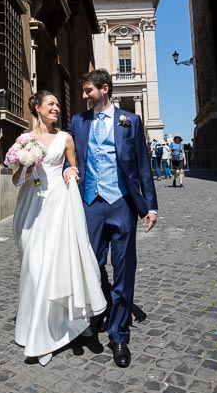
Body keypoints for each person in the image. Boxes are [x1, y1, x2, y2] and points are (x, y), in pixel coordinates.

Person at [64, 69, 158, 368]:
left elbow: (143, 166)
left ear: (104, 89)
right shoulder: (78, 122)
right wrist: (67, 170)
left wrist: (150, 207)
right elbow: (68, 157)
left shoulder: (130, 120)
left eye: (89, 90)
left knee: (124, 268)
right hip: (89, 204)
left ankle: (119, 333)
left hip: (121, 204)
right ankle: (99, 309)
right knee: (90, 265)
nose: (84, 95)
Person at [12, 91, 106, 366]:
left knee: (54, 266)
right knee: (33, 266)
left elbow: (73, 167)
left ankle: (47, 337)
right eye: (50, 104)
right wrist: (27, 167)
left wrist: (69, 172)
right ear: (38, 108)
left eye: (57, 105)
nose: (56, 108)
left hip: (58, 207)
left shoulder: (66, 138)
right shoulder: (24, 140)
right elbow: (15, 178)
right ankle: (38, 326)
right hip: (31, 206)